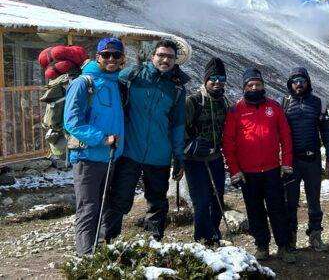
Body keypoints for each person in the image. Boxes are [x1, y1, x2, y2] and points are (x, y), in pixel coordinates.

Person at [103, 39, 189, 242]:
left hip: (159, 154)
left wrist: (178, 156)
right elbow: (108, 90)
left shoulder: (176, 89)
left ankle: (154, 243)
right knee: (120, 198)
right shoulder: (131, 76)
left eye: (170, 57)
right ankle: (108, 241)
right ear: (152, 56)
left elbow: (177, 125)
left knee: (157, 202)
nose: (165, 59)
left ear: (175, 61)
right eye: (161, 55)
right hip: (129, 151)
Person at [222, 68, 296, 263]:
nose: (254, 87)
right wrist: (235, 171)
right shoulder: (235, 110)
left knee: (278, 209)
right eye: (250, 85)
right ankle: (262, 246)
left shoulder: (274, 107)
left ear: (263, 85)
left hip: (272, 170)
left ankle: (284, 246)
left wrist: (287, 163)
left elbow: (286, 137)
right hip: (248, 173)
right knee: (254, 211)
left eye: (258, 84)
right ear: (244, 87)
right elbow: (228, 143)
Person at [63, 37, 125, 256]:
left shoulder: (117, 83)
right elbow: (71, 122)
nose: (111, 58)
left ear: (122, 59)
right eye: (106, 54)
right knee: (88, 209)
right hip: (87, 157)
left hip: (111, 157)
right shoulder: (84, 83)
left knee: (103, 208)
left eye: (115, 55)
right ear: (97, 56)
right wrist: (101, 138)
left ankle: (98, 253)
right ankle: (84, 256)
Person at [281, 67, 329, 252]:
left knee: (314, 200)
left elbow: (326, 132)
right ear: (290, 83)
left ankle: (315, 235)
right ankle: (291, 237)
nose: (298, 84)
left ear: (308, 82)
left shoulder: (318, 103)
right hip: (292, 161)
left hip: (313, 160)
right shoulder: (284, 103)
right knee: (291, 201)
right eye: (295, 81)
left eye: (302, 80)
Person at [183, 57, 230, 246]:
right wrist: (190, 145)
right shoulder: (193, 101)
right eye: (213, 78)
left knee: (217, 200)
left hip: (216, 158)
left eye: (221, 78)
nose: (217, 82)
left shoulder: (224, 102)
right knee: (201, 202)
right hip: (194, 160)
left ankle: (214, 235)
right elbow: (179, 130)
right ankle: (202, 240)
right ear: (205, 80)